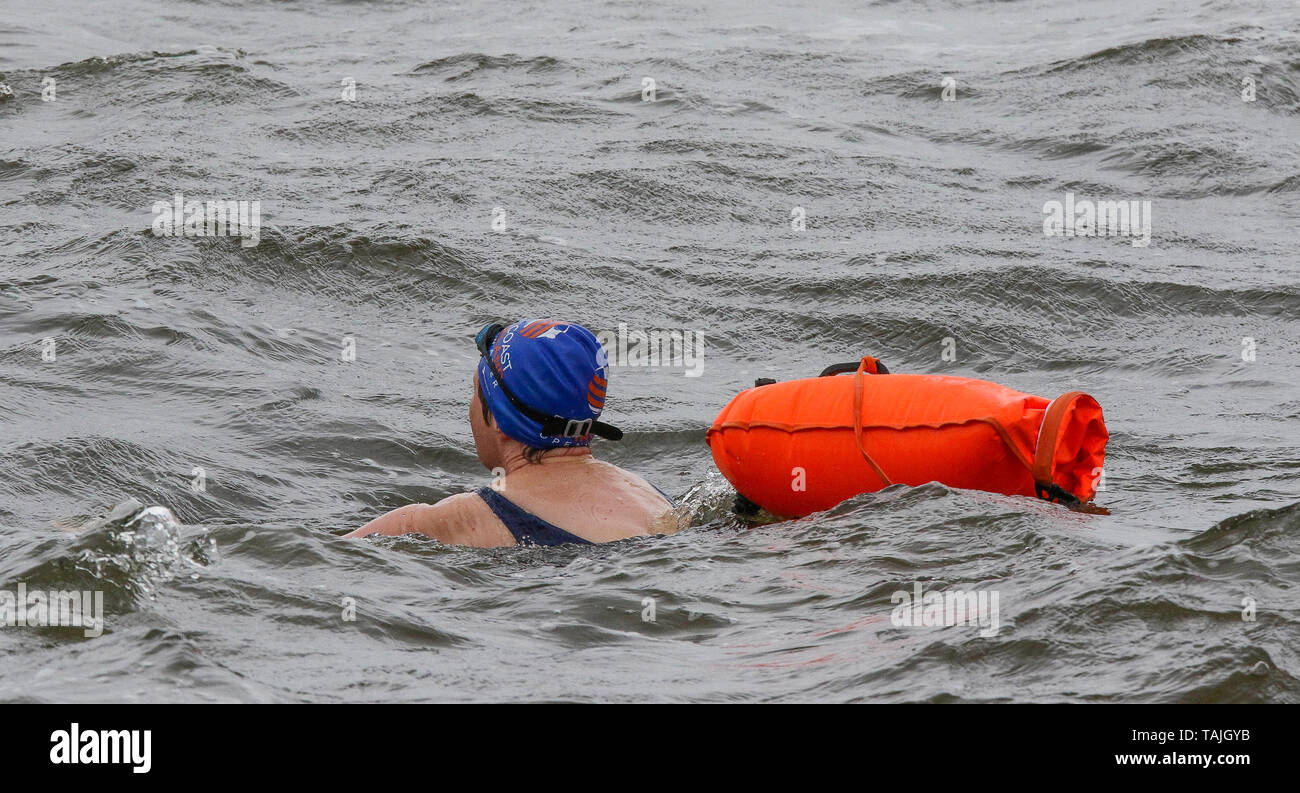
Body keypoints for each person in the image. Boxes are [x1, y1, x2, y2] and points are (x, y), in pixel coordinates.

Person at [345, 319, 678, 546]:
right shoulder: (650, 496)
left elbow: (316, 561)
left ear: (501, 419)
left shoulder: (456, 519)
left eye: (476, 391)